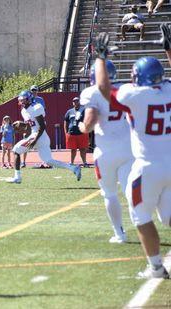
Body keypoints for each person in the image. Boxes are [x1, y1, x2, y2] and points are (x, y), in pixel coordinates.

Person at [93, 24, 171, 278]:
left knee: (140, 215)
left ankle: (156, 268)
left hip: (148, 166)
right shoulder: (168, 89)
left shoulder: (134, 94)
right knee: (169, 217)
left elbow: (104, 89)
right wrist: (169, 49)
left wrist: (101, 58)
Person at [78, 61, 133, 244]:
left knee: (109, 194)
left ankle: (119, 234)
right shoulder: (126, 89)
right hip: (129, 148)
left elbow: (90, 121)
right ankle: (143, 223)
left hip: (106, 152)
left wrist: (82, 127)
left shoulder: (91, 93)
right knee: (131, 191)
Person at [6, 91, 81, 184]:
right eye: (20, 100)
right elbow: (31, 126)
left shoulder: (36, 108)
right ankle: (74, 168)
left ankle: (17, 177)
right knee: (49, 161)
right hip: (40, 137)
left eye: (23, 100)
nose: (21, 102)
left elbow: (42, 127)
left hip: (39, 135)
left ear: (29, 99)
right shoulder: (23, 111)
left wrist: (34, 140)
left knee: (16, 150)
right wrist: (23, 127)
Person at [21, 86, 46, 168]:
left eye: (35, 90)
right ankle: (23, 162)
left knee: (42, 143)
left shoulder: (40, 100)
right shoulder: (26, 99)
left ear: (38, 91)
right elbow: (24, 110)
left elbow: (41, 112)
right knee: (25, 140)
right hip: (30, 122)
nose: (34, 91)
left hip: (37, 122)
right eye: (32, 90)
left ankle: (45, 161)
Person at [64, 97, 89, 166]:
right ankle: (71, 162)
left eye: (77, 101)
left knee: (83, 149)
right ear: (73, 103)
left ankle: (84, 162)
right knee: (73, 150)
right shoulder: (69, 111)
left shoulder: (83, 110)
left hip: (81, 133)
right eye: (74, 101)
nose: (75, 102)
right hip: (72, 133)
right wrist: (66, 132)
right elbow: (66, 121)